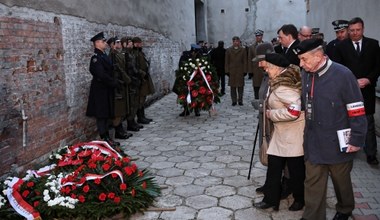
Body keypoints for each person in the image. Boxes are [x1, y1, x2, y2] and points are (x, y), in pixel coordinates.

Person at [294, 38, 367, 220]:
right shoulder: (306, 73)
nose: (301, 64)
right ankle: (312, 216)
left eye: (304, 59)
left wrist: (357, 139)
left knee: (341, 182)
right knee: (312, 182)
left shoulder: (343, 75)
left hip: (338, 142)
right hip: (313, 140)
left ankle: (345, 208)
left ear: (319, 56)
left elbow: (356, 108)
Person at [253, 53, 305, 212]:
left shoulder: (285, 86)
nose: (267, 71)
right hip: (282, 133)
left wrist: (271, 114)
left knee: (296, 171)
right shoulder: (278, 81)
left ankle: (300, 199)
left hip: (292, 135)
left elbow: (295, 111)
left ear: (276, 68)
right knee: (274, 168)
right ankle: (270, 199)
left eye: (268, 68)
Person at [333, 17, 380, 165]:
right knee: (346, 121)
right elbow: (338, 69)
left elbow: (378, 66)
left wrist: (368, 79)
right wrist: (352, 82)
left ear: (363, 29)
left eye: (357, 30)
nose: (354, 33)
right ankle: (347, 148)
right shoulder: (341, 47)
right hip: (348, 91)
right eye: (352, 30)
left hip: (367, 91)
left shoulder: (373, 44)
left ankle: (371, 155)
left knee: (368, 122)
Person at [85, 32, 120, 146]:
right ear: (97, 43)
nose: (105, 43)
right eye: (103, 41)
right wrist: (113, 82)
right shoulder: (96, 58)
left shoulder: (103, 55)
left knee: (106, 114)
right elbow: (101, 74)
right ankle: (104, 139)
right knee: (101, 115)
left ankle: (107, 138)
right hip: (100, 90)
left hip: (106, 89)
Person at [107, 37, 133, 139]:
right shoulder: (112, 56)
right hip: (118, 85)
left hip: (122, 84)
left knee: (122, 108)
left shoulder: (118, 54)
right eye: (117, 42)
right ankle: (118, 130)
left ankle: (121, 129)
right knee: (118, 109)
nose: (119, 44)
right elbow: (115, 71)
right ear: (112, 45)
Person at [121, 37, 144, 132]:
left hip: (134, 80)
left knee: (135, 103)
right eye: (129, 43)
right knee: (131, 104)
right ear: (124, 44)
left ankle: (133, 121)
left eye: (131, 42)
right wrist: (138, 73)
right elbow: (130, 68)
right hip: (131, 81)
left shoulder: (130, 53)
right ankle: (130, 122)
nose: (131, 44)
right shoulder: (125, 54)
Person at [174, 44, 202, 116]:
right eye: (193, 53)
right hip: (186, 78)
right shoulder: (185, 55)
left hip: (196, 78)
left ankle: (196, 109)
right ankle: (186, 109)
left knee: (196, 93)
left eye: (195, 53)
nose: (194, 54)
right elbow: (181, 65)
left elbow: (202, 66)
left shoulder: (199, 56)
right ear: (192, 51)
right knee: (185, 93)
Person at [133, 37, 155, 124]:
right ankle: (140, 117)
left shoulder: (140, 52)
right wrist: (142, 74)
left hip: (144, 77)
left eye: (140, 42)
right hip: (140, 78)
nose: (140, 44)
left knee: (143, 97)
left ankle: (142, 116)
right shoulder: (134, 53)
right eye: (138, 43)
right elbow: (135, 67)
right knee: (140, 99)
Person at [225, 36, 247, 106]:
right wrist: (227, 70)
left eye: (237, 41)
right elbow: (227, 61)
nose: (235, 43)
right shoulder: (229, 50)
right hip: (232, 71)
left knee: (240, 87)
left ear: (239, 42)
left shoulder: (243, 50)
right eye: (234, 41)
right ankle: (234, 100)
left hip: (240, 70)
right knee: (233, 87)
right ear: (233, 42)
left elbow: (245, 61)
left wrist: (245, 70)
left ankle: (240, 100)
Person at [248, 29, 266, 99]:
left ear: (262, 36)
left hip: (264, 68)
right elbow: (249, 59)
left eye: (260, 36)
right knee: (256, 86)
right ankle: (257, 98)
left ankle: (263, 99)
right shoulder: (252, 47)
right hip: (256, 69)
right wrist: (250, 71)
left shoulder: (266, 46)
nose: (258, 37)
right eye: (257, 36)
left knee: (264, 85)